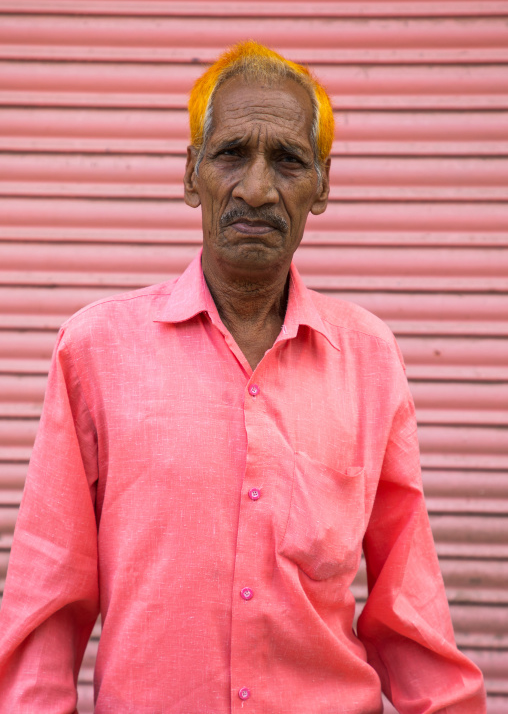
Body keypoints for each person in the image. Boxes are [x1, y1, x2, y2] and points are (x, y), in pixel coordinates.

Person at [0, 41, 486, 714]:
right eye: (232, 154)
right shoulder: (96, 350)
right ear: (191, 172)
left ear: (322, 185)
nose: (257, 188)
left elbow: (410, 613)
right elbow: (47, 605)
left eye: (287, 160)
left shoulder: (369, 360)